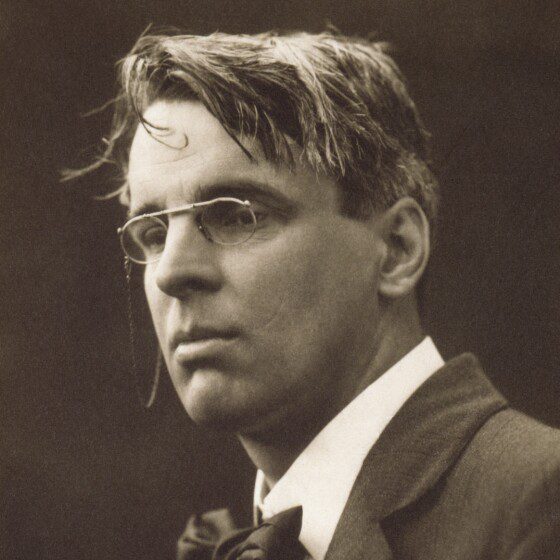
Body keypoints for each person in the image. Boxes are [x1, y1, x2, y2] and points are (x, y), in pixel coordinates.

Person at [72, 30, 560, 559]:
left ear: (396, 249)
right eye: (153, 233)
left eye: (237, 215)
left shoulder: (539, 502)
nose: (170, 271)